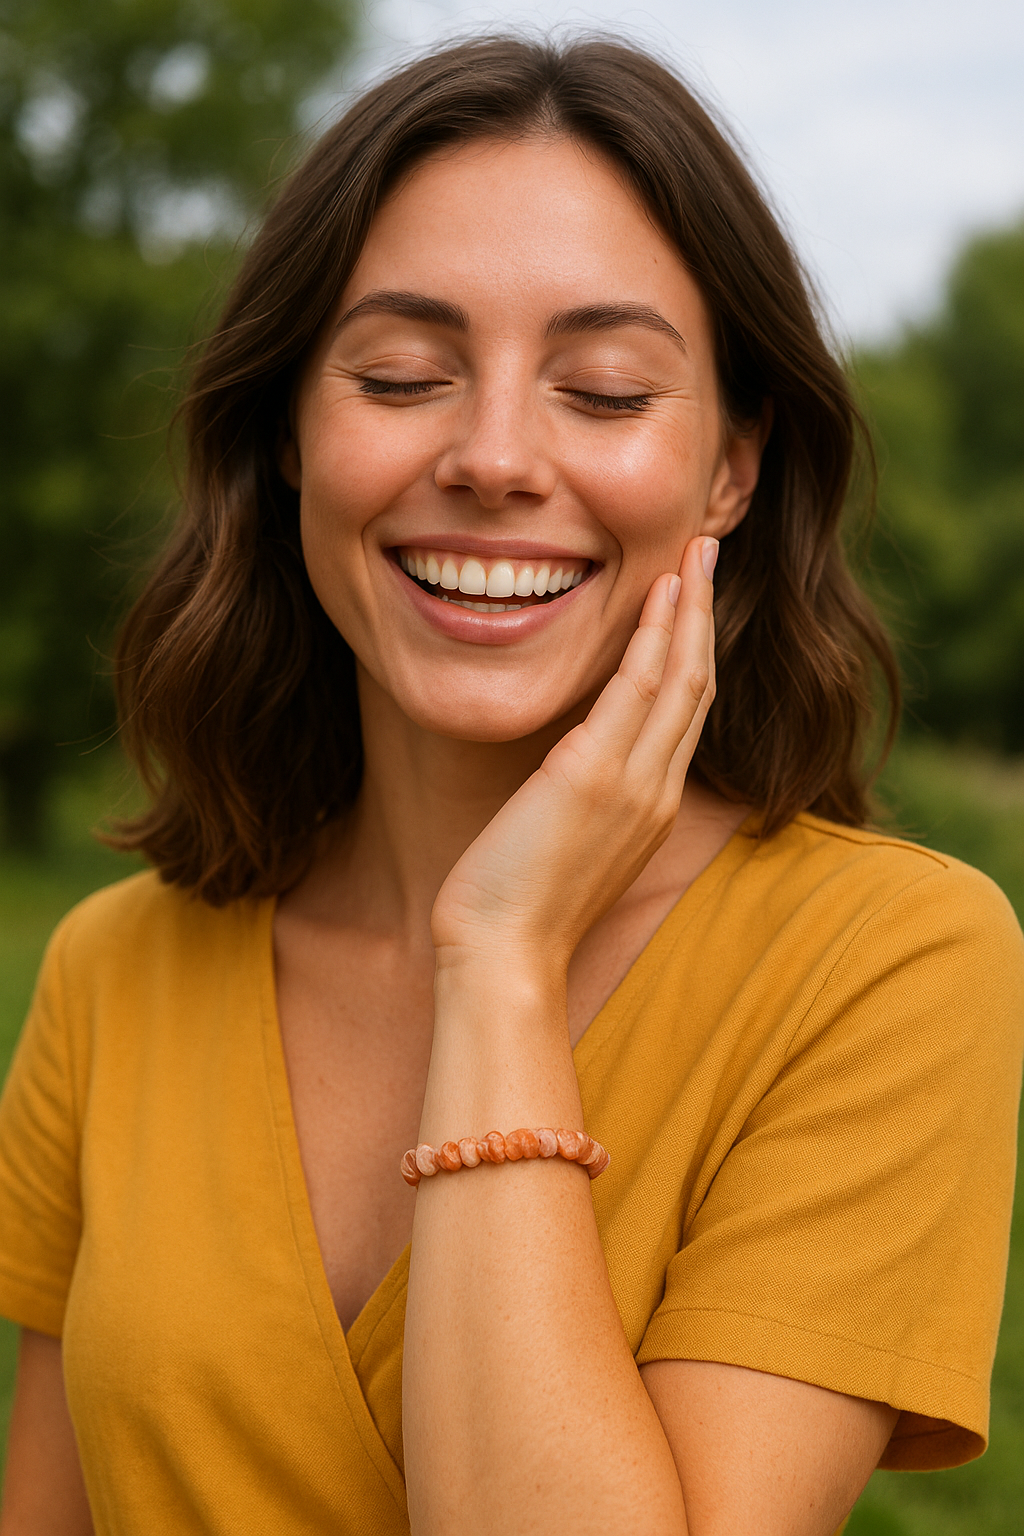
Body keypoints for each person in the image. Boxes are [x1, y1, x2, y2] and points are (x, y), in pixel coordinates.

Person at [0, 34, 1021, 1536]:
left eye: (604, 393)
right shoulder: (113, 971)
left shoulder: (890, 964)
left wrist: (503, 957)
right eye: (402, 376)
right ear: (289, 432)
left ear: (732, 470)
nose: (492, 458)